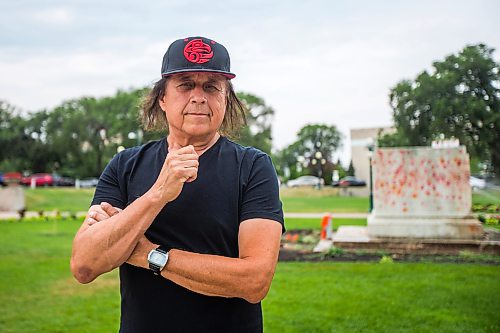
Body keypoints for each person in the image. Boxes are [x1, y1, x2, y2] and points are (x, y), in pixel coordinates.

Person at [70, 36, 284, 333]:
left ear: (225, 99)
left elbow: (254, 280)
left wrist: (148, 254)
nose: (198, 96)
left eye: (211, 86)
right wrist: (159, 192)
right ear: (162, 98)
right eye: (185, 84)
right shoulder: (125, 166)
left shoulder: (253, 167)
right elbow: (84, 265)